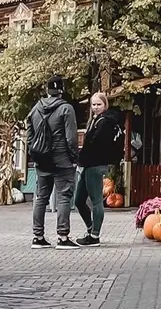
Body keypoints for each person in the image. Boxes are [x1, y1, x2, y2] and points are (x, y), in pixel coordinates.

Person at [28, 76, 78, 248]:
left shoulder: (35, 109)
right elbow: (71, 138)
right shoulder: (66, 109)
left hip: (42, 160)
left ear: (47, 90)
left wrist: (35, 155)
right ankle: (63, 237)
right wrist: (74, 158)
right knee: (64, 196)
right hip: (62, 159)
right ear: (61, 90)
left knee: (41, 197)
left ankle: (38, 237)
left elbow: (30, 136)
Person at [75, 92, 124, 246]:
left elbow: (95, 145)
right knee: (79, 200)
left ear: (105, 105)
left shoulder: (104, 122)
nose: (95, 107)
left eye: (99, 104)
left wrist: (82, 156)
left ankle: (94, 236)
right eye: (93, 104)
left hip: (96, 164)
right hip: (88, 164)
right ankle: (91, 228)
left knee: (96, 201)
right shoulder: (95, 120)